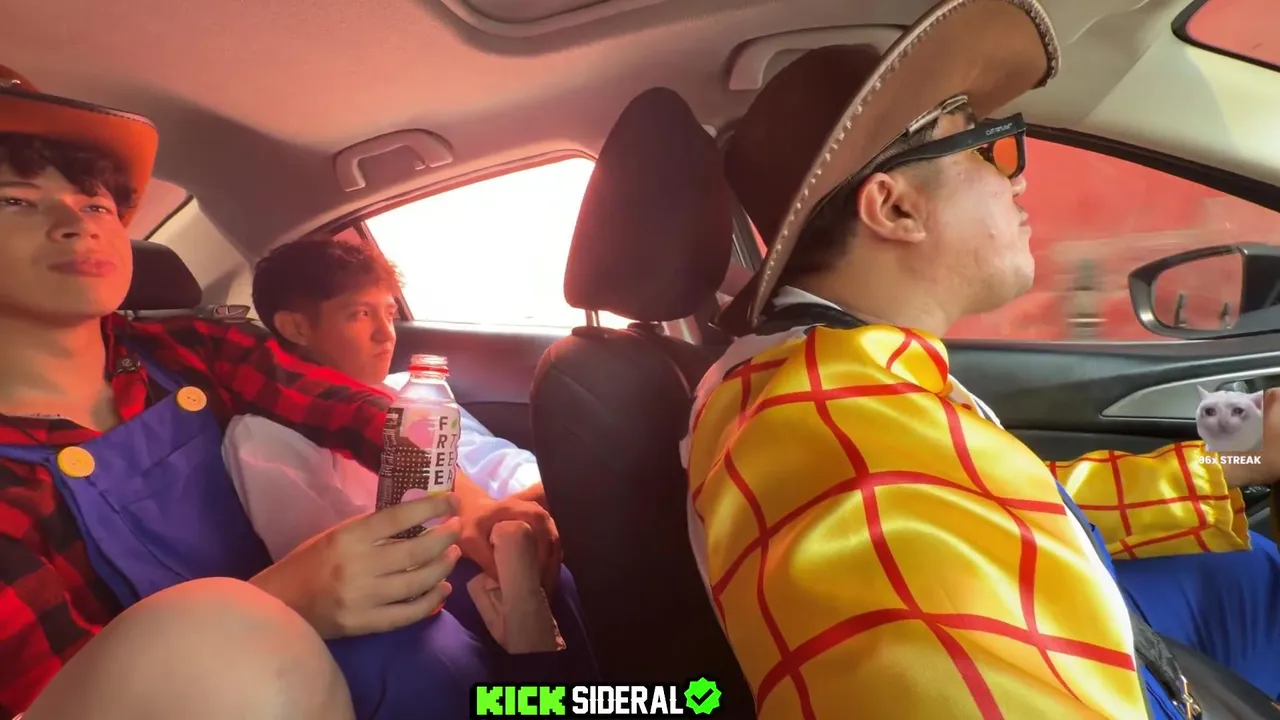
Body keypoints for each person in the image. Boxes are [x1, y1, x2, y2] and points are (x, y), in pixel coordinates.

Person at [679, 2, 1280, 718]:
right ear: (895, 209)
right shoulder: (830, 436)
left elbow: (1017, 503)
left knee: (1256, 574)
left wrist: (1240, 455)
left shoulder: (842, 381)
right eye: (983, 148)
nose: (1015, 180)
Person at [0, 66, 573, 720]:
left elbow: (359, 412)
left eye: (95, 204)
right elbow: (57, 699)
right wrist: (280, 602)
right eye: (14, 200)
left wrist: (470, 510)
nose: (77, 225)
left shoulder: (186, 349)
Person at [221, 236, 592, 648]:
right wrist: (475, 529)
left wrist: (547, 493)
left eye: (390, 313)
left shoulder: (411, 390)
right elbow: (334, 570)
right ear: (297, 328)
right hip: (409, 600)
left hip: (488, 558)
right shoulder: (263, 436)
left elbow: (490, 461)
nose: (386, 335)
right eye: (361, 314)